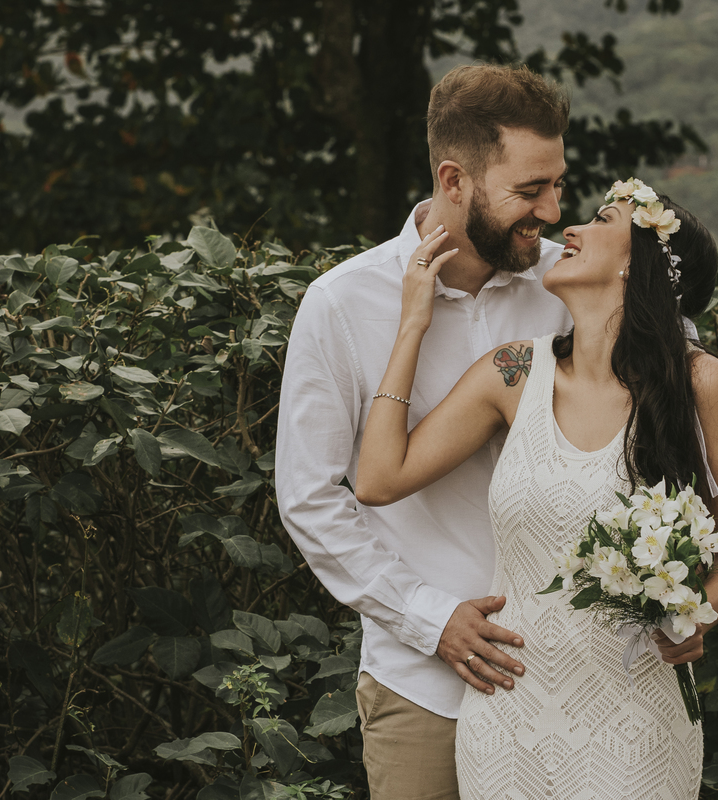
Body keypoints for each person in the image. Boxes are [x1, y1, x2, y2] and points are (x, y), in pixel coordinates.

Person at [354, 179, 718, 798]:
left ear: (636, 264)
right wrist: (413, 323)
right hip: (506, 720)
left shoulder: (702, 385)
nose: (569, 228)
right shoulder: (513, 372)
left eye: (602, 220)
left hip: (635, 719)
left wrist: (696, 614)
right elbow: (380, 479)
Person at [276, 64, 573, 799]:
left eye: (558, 183)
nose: (554, 209)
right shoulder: (341, 304)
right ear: (454, 179)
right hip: (422, 687)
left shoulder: (576, 285)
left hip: (574, 676)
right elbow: (309, 498)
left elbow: (671, 402)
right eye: (529, 191)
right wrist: (428, 617)